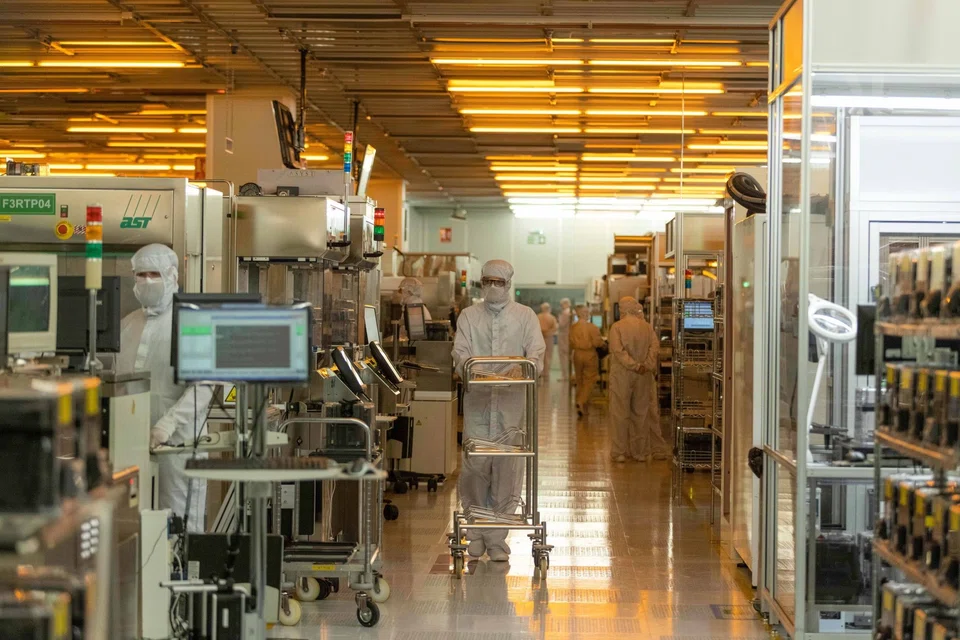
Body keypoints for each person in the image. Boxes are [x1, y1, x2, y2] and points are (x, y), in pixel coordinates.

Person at [453, 260, 545, 562]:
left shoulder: (525, 316)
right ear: (481, 283)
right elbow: (460, 352)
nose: (493, 287)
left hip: (511, 405)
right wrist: (470, 370)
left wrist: (524, 369)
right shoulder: (468, 316)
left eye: (499, 282)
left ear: (508, 284)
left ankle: (496, 539)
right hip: (478, 403)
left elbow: (536, 352)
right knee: (475, 467)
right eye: (487, 281)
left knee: (507, 468)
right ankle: (475, 533)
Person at [118, 244, 212, 532]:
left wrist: (166, 426)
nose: (147, 281)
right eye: (140, 274)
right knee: (133, 526)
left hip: (178, 447)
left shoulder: (192, 322)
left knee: (180, 527)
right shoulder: (127, 325)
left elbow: (204, 387)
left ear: (172, 276)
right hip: (131, 445)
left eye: (154, 274)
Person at [608, 296, 669, 463]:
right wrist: (646, 365)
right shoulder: (646, 326)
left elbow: (618, 351)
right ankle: (639, 452)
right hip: (644, 375)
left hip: (622, 375)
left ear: (623, 308)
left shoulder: (617, 327)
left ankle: (620, 451)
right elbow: (654, 346)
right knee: (641, 413)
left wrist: (634, 365)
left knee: (620, 413)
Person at [569, 305, 604, 418]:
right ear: (581, 313)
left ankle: (583, 407)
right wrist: (603, 344)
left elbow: (570, 342)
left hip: (577, 354)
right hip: (589, 354)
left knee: (579, 380)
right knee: (590, 379)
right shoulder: (592, 327)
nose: (588, 313)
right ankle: (581, 401)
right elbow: (597, 343)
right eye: (586, 312)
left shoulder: (573, 327)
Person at [537, 302, 559, 380]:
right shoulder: (552, 317)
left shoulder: (538, 317)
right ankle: (546, 373)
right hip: (549, 338)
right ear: (549, 308)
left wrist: (542, 332)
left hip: (539, 338)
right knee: (548, 356)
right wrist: (548, 333)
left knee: (540, 355)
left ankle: (540, 372)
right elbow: (555, 328)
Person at [557, 298, 572, 380]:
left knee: (563, 356)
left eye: (562, 304)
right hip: (568, 336)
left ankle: (565, 375)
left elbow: (561, 324)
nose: (561, 306)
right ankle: (568, 375)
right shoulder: (571, 312)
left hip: (564, 337)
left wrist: (558, 319)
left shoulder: (565, 313)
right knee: (568, 357)